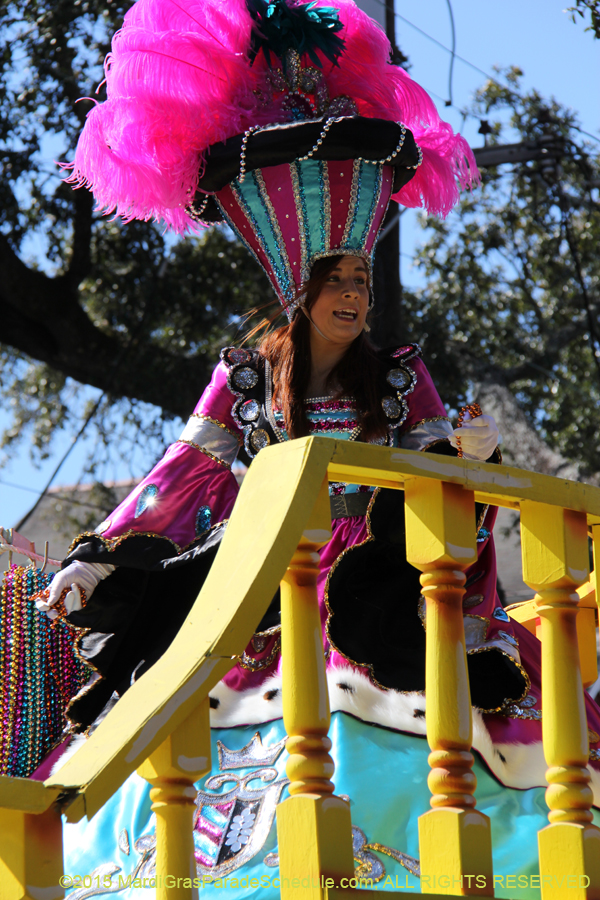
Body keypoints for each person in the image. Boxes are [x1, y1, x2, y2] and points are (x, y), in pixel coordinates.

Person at [33, 0, 600, 894]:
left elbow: (450, 489)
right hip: (262, 587)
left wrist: (474, 458)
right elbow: (179, 477)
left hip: (386, 589)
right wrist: (98, 557)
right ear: (301, 290)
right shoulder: (247, 377)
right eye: (339, 282)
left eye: (363, 280)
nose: (356, 297)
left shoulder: (403, 377)